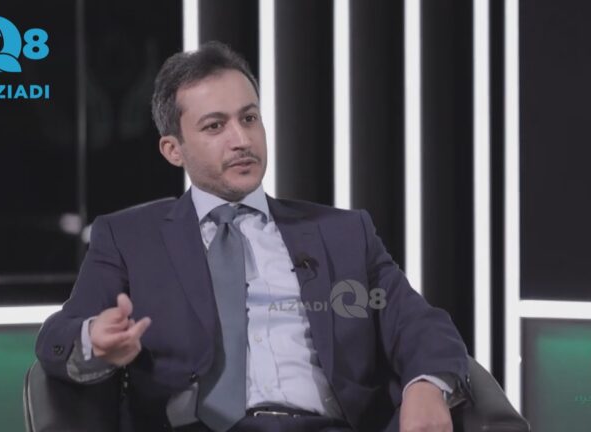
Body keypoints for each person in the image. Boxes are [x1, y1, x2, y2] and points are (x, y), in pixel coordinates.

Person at [35, 41, 470, 432]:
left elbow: (419, 323)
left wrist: (426, 385)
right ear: (173, 149)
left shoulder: (344, 232)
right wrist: (95, 340)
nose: (241, 140)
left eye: (249, 118)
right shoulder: (129, 238)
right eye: (215, 126)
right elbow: (57, 336)